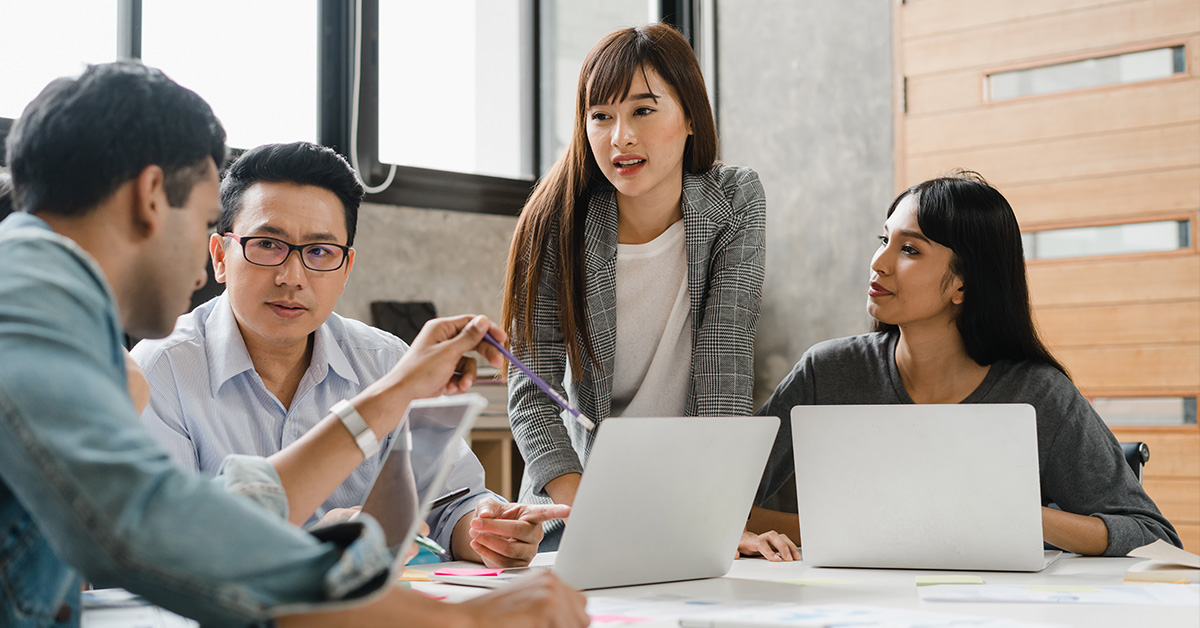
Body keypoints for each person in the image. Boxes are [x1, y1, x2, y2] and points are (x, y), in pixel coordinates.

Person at [0, 61, 586, 628]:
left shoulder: (49, 303)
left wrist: (397, 391)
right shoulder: (27, 305)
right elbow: (154, 527)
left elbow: (219, 511)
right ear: (153, 196)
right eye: (208, 221)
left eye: (320, 253)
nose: (202, 270)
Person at [133, 141, 568, 567]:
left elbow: (452, 505)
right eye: (268, 244)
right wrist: (321, 542)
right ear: (221, 256)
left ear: (345, 270)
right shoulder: (161, 370)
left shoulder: (385, 360)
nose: (292, 276)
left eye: (320, 252)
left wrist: (490, 532)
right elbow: (166, 548)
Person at [749, 171, 1181, 556]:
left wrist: (1013, 515)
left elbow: (1151, 536)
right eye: (884, 241)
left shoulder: (1038, 395)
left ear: (962, 283)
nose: (878, 264)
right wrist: (843, 533)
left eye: (910, 250)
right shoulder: (828, 372)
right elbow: (722, 505)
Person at [499, 23, 788, 560]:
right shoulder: (555, 220)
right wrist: (596, 516)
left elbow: (726, 358)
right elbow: (531, 391)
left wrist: (718, 519)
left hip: (687, 500)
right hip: (579, 501)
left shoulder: (734, 200)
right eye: (601, 116)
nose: (619, 137)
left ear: (690, 119)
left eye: (643, 110)